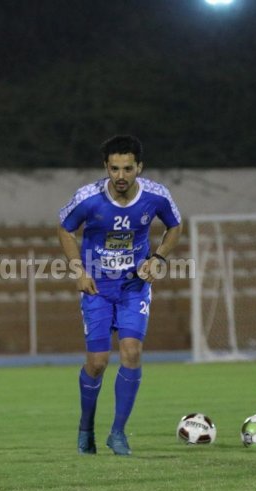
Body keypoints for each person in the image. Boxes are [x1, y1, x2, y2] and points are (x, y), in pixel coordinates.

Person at [58, 135, 182, 456]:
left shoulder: (156, 196)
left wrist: (158, 258)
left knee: (131, 353)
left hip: (133, 287)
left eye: (128, 168)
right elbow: (65, 228)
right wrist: (78, 270)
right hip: (97, 288)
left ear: (139, 167)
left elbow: (175, 226)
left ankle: (118, 433)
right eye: (115, 169)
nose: (121, 176)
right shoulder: (89, 198)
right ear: (106, 167)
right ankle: (86, 427)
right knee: (97, 363)